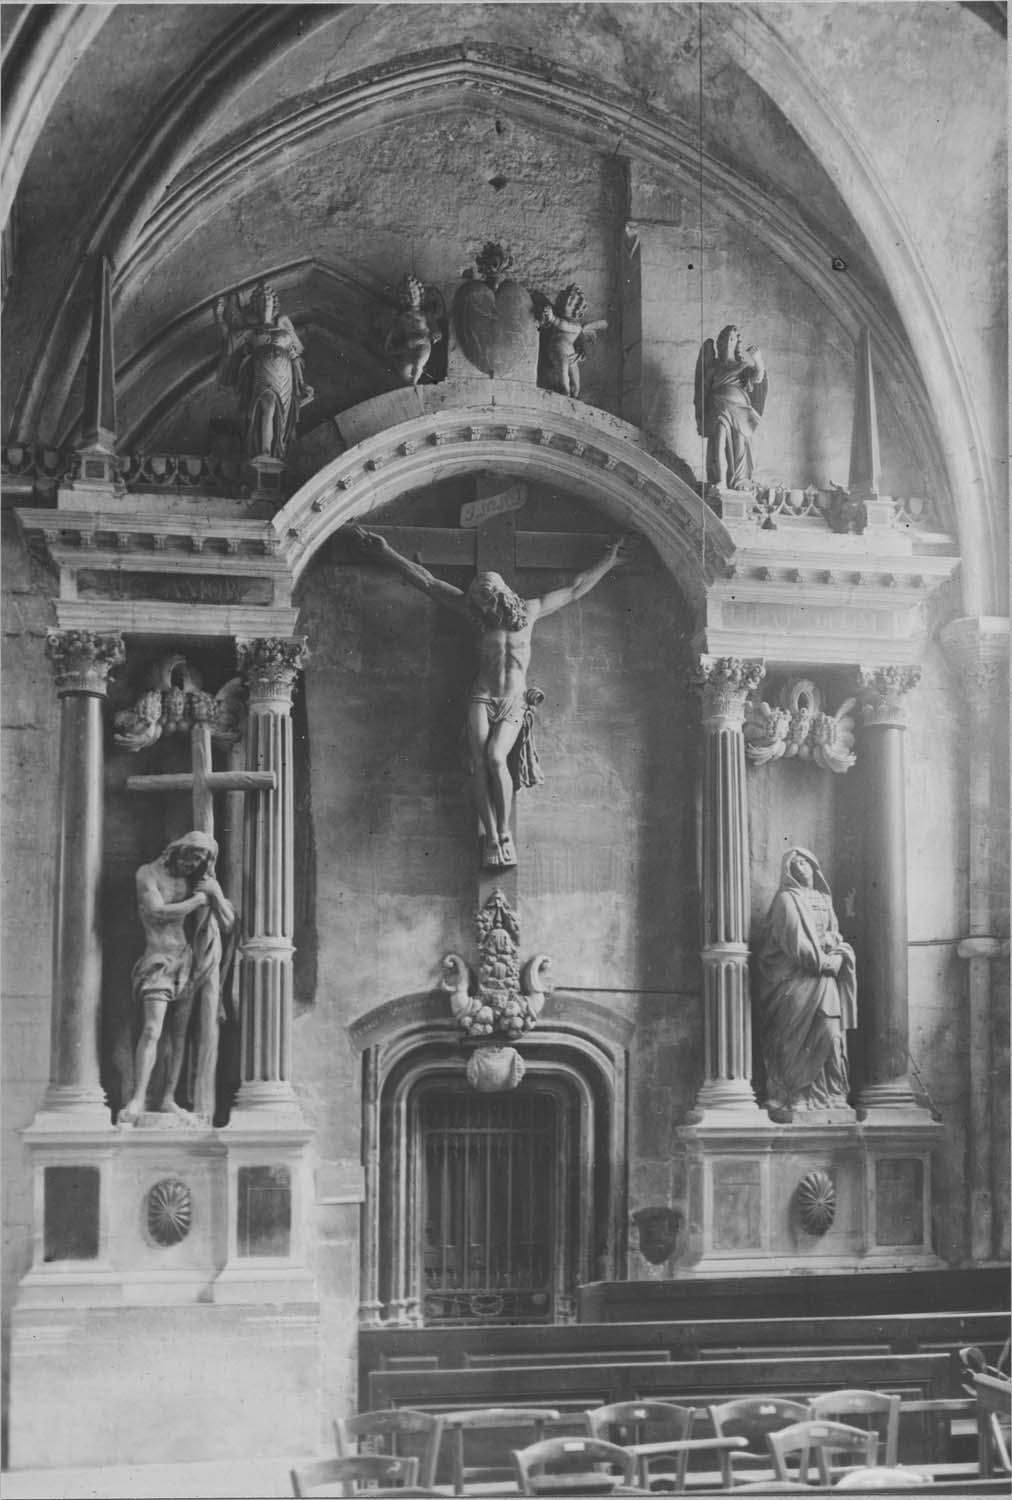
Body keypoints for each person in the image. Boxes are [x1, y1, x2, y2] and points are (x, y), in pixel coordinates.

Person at [350, 525, 632, 870]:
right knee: (479, 763)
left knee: (498, 758)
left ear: (499, 593)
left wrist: (608, 560)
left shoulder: (529, 612)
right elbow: (427, 581)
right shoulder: (473, 615)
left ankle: (502, 830)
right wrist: (385, 552)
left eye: (484, 597)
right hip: (482, 698)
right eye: (477, 599)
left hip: (514, 700)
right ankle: (494, 837)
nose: (480, 603)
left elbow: (575, 589)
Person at [118, 830, 235, 1126]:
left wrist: (215, 893)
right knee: (152, 1030)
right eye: (191, 856)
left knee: (179, 1036)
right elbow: (157, 911)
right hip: (158, 961)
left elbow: (229, 923)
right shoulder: (148, 873)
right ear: (178, 850)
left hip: (185, 962)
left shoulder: (196, 880)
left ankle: (168, 1097)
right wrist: (198, 900)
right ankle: (138, 1098)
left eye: (200, 860)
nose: (192, 864)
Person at [756, 846, 857, 1118]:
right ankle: (796, 1095)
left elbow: (834, 934)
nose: (803, 867)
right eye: (796, 863)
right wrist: (827, 963)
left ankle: (833, 1095)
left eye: (806, 862)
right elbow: (796, 944)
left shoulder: (825, 899)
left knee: (831, 1033)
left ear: (814, 867)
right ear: (789, 871)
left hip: (825, 981)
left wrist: (837, 952)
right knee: (796, 1039)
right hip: (796, 982)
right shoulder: (786, 900)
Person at [214, 281, 313, 459]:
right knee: (267, 404)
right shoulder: (251, 331)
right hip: (262, 370)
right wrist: (219, 318)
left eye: (268, 299)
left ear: (274, 303)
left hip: (284, 373)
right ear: (255, 306)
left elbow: (295, 354)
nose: (265, 303)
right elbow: (229, 342)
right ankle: (265, 451)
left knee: (282, 413)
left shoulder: (283, 324)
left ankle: (277, 452)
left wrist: (302, 383)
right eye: (260, 300)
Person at [694, 324, 768, 490]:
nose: (729, 341)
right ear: (720, 343)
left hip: (740, 410)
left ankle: (739, 481)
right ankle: (718, 479)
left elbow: (757, 377)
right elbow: (703, 390)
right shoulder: (713, 367)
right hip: (719, 407)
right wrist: (701, 412)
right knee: (719, 436)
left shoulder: (742, 366)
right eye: (726, 338)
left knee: (739, 442)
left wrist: (758, 359)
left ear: (736, 343)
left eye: (733, 339)